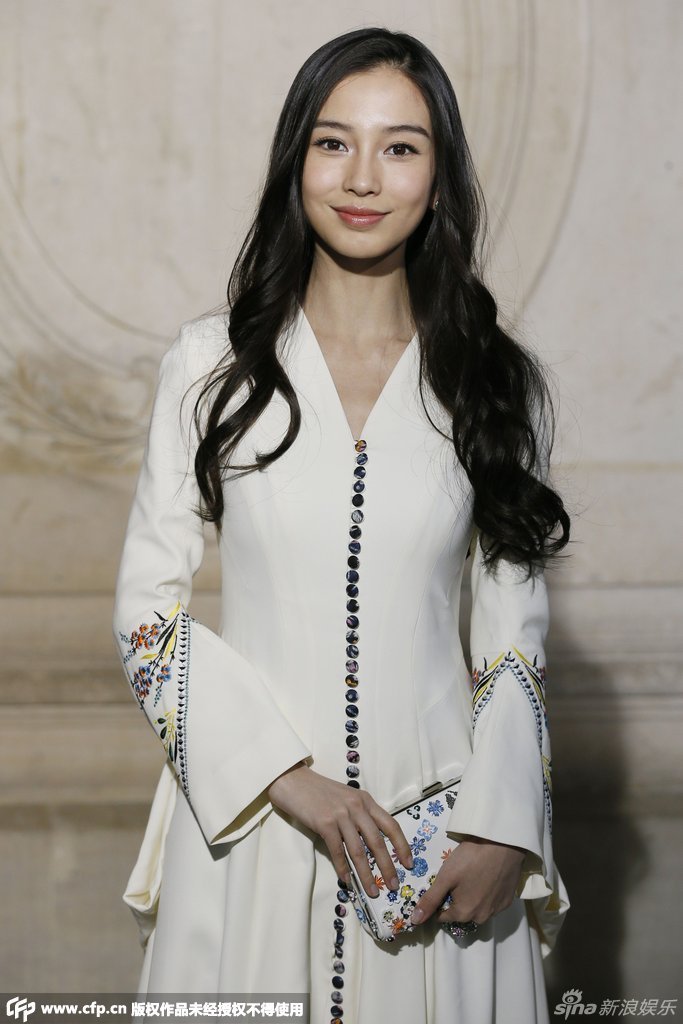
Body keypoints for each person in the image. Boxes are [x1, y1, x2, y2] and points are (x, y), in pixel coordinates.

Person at [113, 26, 571, 1024]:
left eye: (400, 147)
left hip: (443, 845)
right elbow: (146, 614)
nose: (362, 177)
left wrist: (503, 830)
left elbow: (513, 639)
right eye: (333, 142)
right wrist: (287, 779)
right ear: (296, 161)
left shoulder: (489, 382)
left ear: (437, 180)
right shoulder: (208, 367)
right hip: (251, 828)